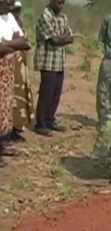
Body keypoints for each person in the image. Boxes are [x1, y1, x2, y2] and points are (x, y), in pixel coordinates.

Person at [34, 0, 77, 137]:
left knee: (56, 94)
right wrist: (62, 38)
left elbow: (71, 38)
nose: (61, 2)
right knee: (46, 94)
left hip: (59, 62)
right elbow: (54, 40)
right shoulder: (45, 16)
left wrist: (61, 38)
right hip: (47, 62)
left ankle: (50, 120)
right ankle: (40, 123)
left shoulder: (63, 17)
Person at [0, 0, 30, 166]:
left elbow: (24, 41)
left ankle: (1, 146)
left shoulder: (10, 17)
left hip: (7, 69)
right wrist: (13, 45)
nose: (10, 2)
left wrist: (6, 45)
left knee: (4, 109)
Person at [9, 0, 34, 142]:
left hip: (20, 66)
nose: (16, 12)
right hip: (10, 65)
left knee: (19, 97)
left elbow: (25, 42)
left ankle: (16, 128)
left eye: (18, 9)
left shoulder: (18, 23)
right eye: (14, 9)